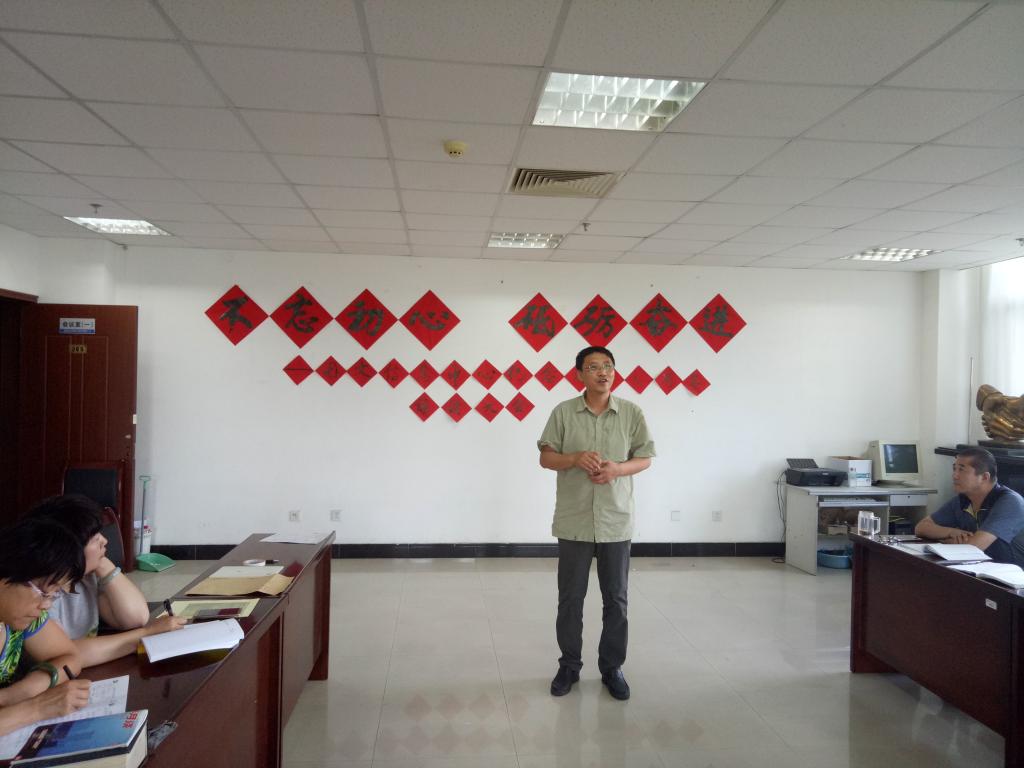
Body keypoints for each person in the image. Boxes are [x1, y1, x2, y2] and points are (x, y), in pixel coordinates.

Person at [537, 346, 655, 700]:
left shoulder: (631, 412)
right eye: (593, 367)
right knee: (570, 598)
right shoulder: (563, 412)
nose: (603, 372)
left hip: (615, 519)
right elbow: (546, 457)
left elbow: (645, 458)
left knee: (616, 599)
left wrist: (618, 469)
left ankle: (612, 667)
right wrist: (574, 458)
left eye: (608, 366)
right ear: (579, 374)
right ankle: (569, 666)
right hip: (574, 519)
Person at [28, 495, 186, 667]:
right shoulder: (41, 593)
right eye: (95, 539)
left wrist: (102, 564)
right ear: (70, 548)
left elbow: (135, 618)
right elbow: (65, 654)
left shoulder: (85, 578)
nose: (105, 541)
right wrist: (147, 633)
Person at [0, 517, 92, 736]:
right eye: (42, 592)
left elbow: (70, 657)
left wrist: (21, 692)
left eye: (54, 594)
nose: (46, 605)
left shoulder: (18, 618)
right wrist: (38, 708)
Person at [915, 446, 1024, 566]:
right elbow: (921, 527)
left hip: (1014, 574)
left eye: (961, 470)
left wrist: (949, 542)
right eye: (954, 469)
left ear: (984, 477)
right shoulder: (963, 500)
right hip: (982, 569)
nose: (954, 475)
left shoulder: (1010, 501)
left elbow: (973, 548)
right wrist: (951, 532)